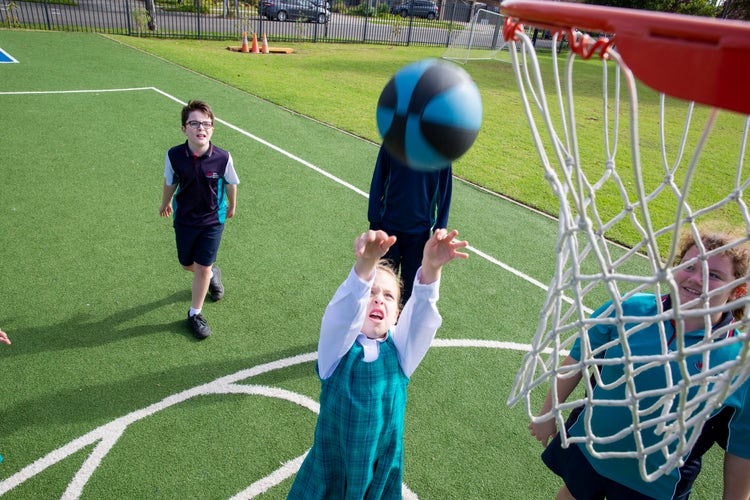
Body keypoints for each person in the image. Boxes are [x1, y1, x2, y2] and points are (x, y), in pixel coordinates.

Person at [528, 224, 750, 499]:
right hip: (590, 453)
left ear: (738, 290)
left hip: (655, 487)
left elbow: (741, 447)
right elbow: (578, 358)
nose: (696, 279)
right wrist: (548, 413)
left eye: (713, 274)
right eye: (689, 266)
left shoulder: (739, 361)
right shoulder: (630, 309)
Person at [287, 228, 469, 499]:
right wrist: (366, 264)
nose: (378, 299)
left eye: (388, 296)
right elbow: (343, 313)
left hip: (379, 469)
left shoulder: (401, 352)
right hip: (333, 468)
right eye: (371, 292)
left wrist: (431, 268)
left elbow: (420, 317)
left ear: (396, 314)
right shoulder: (336, 353)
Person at [159, 100, 239, 340]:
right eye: (194, 123)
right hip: (185, 218)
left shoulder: (223, 158)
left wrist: (232, 206)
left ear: (212, 129)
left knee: (201, 268)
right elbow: (170, 180)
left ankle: (195, 313)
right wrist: (165, 202)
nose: (201, 128)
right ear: (184, 128)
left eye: (206, 124)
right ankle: (213, 272)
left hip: (213, 220)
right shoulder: (174, 155)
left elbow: (231, 183)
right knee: (187, 265)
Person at [368, 145, 453, 306]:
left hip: (419, 235)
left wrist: (440, 227)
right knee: (380, 286)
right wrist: (374, 222)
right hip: (388, 229)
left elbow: (445, 189)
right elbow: (378, 179)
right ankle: (373, 329)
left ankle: (400, 328)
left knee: (410, 291)